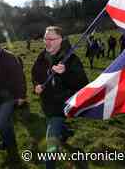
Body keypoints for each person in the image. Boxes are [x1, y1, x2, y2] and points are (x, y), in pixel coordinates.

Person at [32, 26, 89, 169]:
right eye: (46, 38)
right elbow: (35, 75)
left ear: (61, 40)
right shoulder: (41, 57)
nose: (47, 42)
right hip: (46, 104)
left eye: (52, 39)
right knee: (56, 126)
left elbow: (83, 85)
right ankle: (65, 131)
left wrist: (66, 73)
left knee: (50, 142)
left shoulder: (70, 59)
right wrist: (36, 86)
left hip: (60, 106)